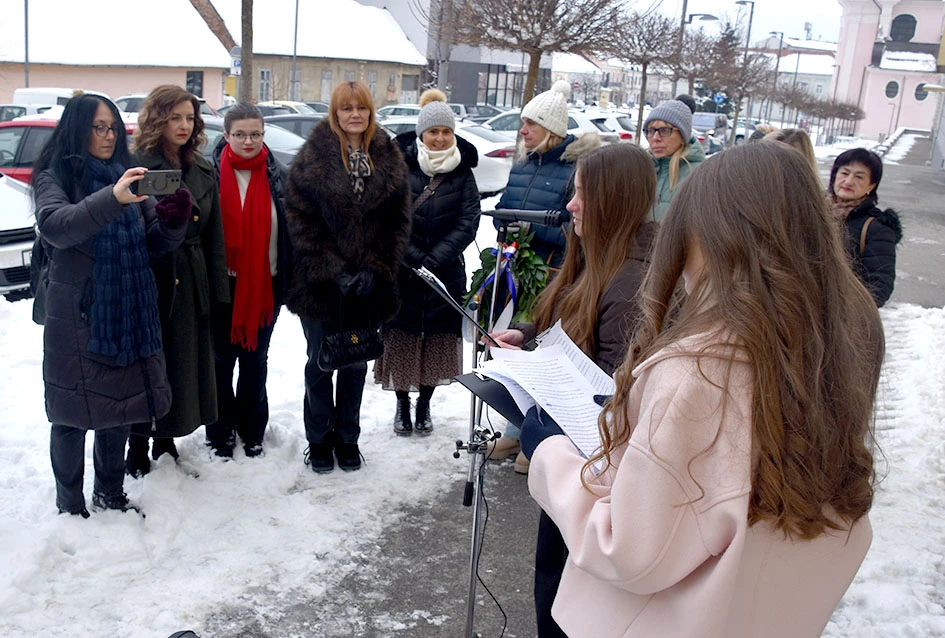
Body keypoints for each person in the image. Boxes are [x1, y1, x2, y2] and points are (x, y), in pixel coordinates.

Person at [520, 143, 884, 637]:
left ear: (711, 233)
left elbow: (630, 548)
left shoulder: (699, 370)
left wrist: (550, 454)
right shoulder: (840, 338)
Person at [491, 143, 657, 637]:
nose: (570, 204)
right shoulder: (596, 252)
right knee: (553, 585)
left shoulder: (633, 279)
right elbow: (563, 319)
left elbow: (607, 398)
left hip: (596, 480)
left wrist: (538, 427)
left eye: (581, 193)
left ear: (612, 199)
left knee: (567, 600)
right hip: (578, 471)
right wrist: (524, 335)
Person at [32, 94, 189, 517]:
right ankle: (69, 504)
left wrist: (173, 221)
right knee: (70, 415)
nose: (106, 136)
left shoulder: (125, 173)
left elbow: (153, 240)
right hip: (79, 315)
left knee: (117, 410)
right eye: (98, 127)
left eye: (113, 128)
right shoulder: (54, 175)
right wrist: (112, 199)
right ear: (77, 129)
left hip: (127, 308)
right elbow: (56, 227)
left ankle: (109, 492)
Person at [285, 81, 410, 473]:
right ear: (335, 113)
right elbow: (300, 221)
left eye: (362, 108)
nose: (354, 115)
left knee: (355, 363)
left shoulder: (389, 157)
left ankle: (348, 439)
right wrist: (334, 271)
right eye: (346, 108)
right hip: (322, 285)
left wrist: (376, 269)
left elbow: (398, 222)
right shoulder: (311, 158)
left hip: (369, 286)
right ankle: (319, 440)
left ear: (371, 113)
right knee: (320, 363)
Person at [488, 79, 599, 465]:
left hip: (551, 274)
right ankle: (513, 431)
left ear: (550, 129)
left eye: (530, 124)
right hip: (515, 273)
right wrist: (505, 227)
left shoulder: (571, 169)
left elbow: (572, 228)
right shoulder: (522, 165)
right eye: (522, 123)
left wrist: (530, 228)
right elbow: (503, 209)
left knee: (542, 353)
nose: (523, 131)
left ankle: (535, 437)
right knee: (515, 351)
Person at [128, 85, 230, 476]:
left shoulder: (202, 167)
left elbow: (214, 235)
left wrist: (218, 292)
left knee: (183, 363)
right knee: (148, 364)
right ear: (158, 118)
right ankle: (137, 443)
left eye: (190, 118)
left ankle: (166, 438)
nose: (184, 125)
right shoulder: (138, 165)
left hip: (192, 279)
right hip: (152, 277)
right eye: (175, 117)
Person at [375, 89, 480, 436]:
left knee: (436, 339)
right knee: (402, 337)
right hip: (404, 272)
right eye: (432, 131)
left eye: (445, 132)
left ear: (453, 134)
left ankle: (425, 405)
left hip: (445, 273)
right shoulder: (400, 166)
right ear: (421, 133)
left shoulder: (463, 173)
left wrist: (436, 259)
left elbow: (469, 221)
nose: (438, 138)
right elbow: (388, 218)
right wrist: (413, 257)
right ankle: (402, 404)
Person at [206, 102, 291, 458]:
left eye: (255, 134)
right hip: (222, 286)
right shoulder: (210, 174)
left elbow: (290, 231)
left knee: (256, 362)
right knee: (221, 363)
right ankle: (221, 430)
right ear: (226, 136)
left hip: (265, 285)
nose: (248, 141)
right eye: (240, 134)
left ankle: (253, 428)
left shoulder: (279, 176)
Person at [827, 148, 902, 307]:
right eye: (844, 173)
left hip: (841, 317)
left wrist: (843, 310)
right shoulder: (811, 211)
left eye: (859, 177)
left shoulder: (877, 228)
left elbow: (880, 285)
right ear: (834, 177)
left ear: (871, 186)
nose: (848, 181)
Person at [643, 99, 706, 221]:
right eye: (650, 131)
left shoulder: (699, 175)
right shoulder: (642, 169)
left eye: (665, 131)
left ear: (683, 136)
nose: (656, 138)